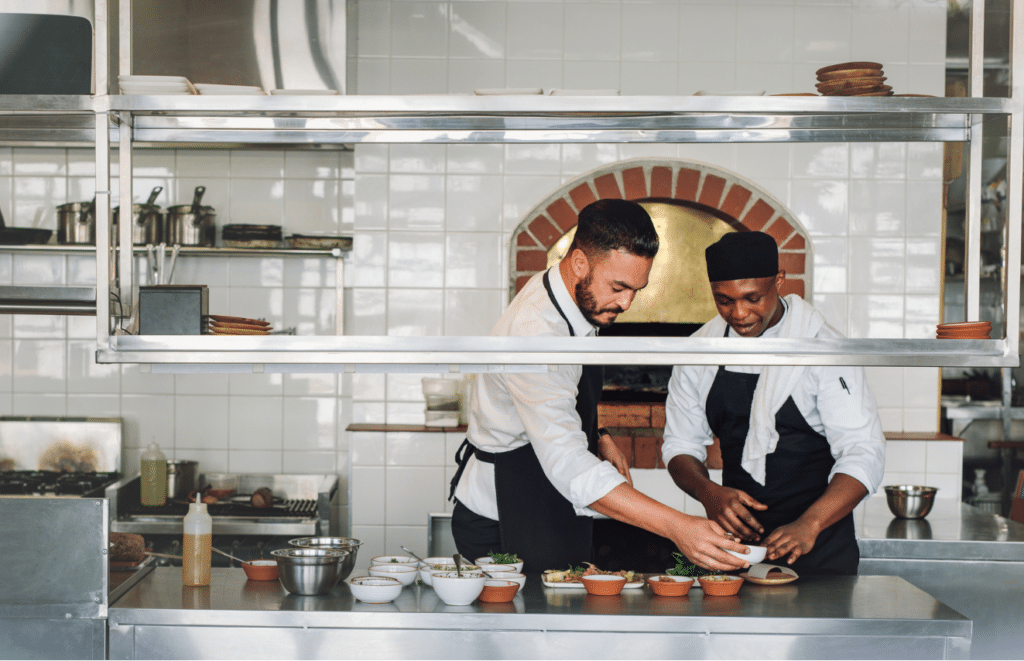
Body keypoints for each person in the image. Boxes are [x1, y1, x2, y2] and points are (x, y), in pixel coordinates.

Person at [448, 199, 749, 573]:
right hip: (503, 514)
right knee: (532, 626)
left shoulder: (570, 291)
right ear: (578, 263)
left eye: (636, 289)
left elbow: (556, 394)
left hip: (538, 491)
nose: (627, 303)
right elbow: (568, 463)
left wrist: (598, 433)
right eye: (619, 287)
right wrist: (678, 527)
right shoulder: (536, 334)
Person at [661, 231, 886, 575]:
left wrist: (809, 524)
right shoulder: (700, 350)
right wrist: (708, 493)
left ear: (779, 281)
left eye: (753, 298)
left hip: (820, 543)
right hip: (737, 547)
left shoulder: (822, 348)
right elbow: (680, 445)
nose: (739, 313)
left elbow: (863, 451)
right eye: (723, 300)